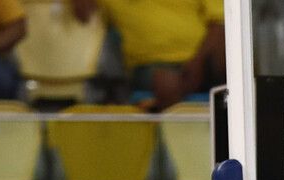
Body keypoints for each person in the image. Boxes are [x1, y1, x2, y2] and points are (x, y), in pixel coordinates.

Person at [70, 0, 224, 110]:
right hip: (148, 67)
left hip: (203, 57)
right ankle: (168, 146)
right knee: (166, 83)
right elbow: (84, 15)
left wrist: (197, 64)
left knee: (225, 54)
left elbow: (219, 23)